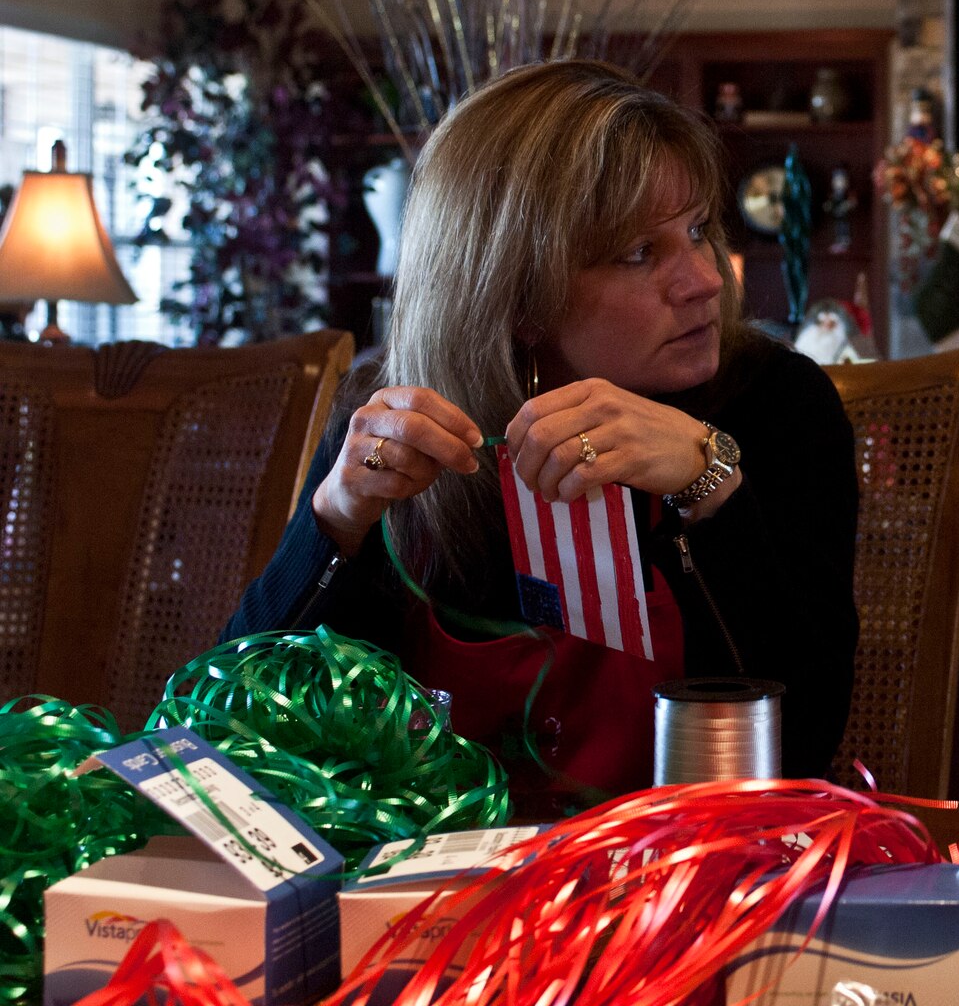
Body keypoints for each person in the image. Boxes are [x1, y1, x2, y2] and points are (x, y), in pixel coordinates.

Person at [227, 60, 859, 803]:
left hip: (694, 883)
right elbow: (235, 738)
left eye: (698, 231)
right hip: (437, 892)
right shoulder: (401, 422)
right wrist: (333, 521)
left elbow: (808, 740)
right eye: (639, 253)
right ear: (515, 294)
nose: (705, 280)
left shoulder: (777, 405)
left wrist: (708, 484)